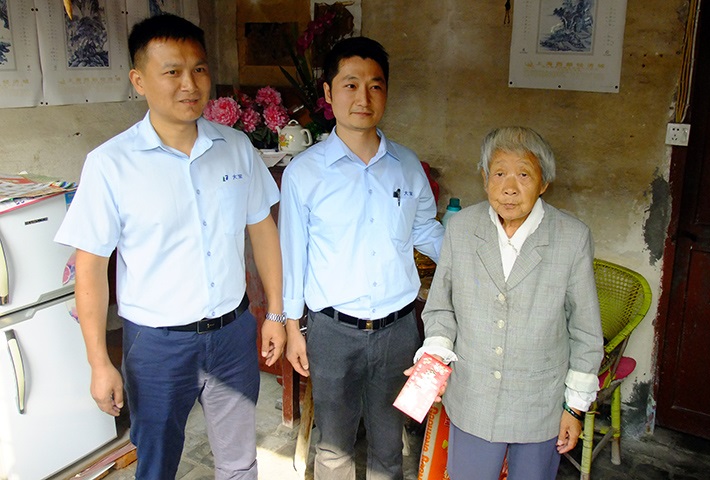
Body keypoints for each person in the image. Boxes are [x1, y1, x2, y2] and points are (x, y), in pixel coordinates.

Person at [54, 14, 286, 480]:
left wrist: (276, 314)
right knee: (157, 464)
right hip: (157, 346)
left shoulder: (236, 147)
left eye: (199, 70)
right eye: (172, 72)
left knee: (240, 464)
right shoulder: (110, 164)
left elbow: (263, 231)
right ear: (139, 80)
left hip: (232, 334)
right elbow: (91, 269)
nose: (189, 85)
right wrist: (99, 362)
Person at [279, 36, 445, 480]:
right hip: (332, 332)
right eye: (350, 85)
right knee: (334, 446)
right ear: (328, 93)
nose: (363, 98)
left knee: (389, 448)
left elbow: (425, 230)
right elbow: (293, 256)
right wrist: (292, 328)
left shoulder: (407, 165)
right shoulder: (304, 173)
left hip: (398, 330)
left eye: (375, 86)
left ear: (386, 92)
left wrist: (474, 255)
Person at [416, 127, 604, 480]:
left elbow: (585, 330)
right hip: (473, 398)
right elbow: (441, 308)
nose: (509, 188)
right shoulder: (461, 228)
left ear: (544, 183)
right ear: (485, 178)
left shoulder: (571, 237)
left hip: (540, 405)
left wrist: (574, 408)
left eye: (524, 175)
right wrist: (435, 360)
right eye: (499, 173)